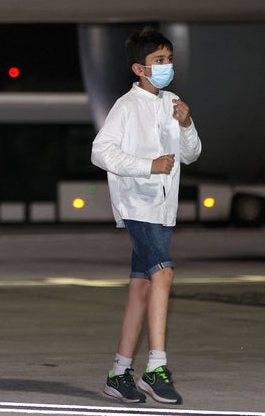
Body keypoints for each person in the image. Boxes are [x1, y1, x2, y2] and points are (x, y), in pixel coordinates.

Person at [91, 28, 202, 405]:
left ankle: (119, 373)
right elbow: (100, 152)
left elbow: (191, 155)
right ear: (140, 69)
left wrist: (186, 125)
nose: (166, 66)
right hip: (137, 204)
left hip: (163, 208)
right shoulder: (125, 106)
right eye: (159, 61)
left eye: (169, 59)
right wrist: (147, 166)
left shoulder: (173, 102)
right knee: (164, 273)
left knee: (141, 287)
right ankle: (156, 367)